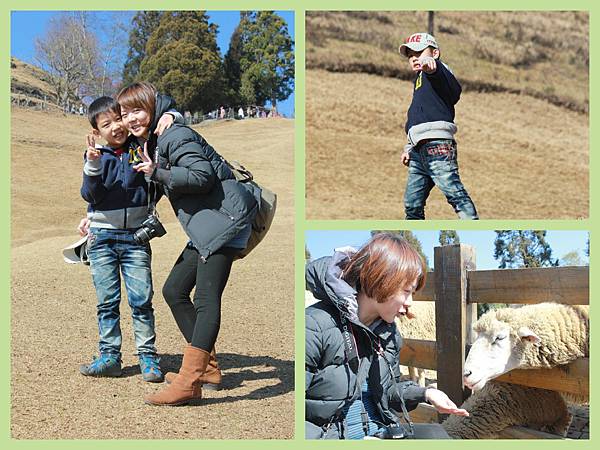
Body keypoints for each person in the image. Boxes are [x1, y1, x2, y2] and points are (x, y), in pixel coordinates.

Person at [116, 82, 259, 406]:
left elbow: (202, 176)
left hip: (225, 222)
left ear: (152, 108)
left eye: (137, 110)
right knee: (174, 290)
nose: (131, 119)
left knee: (207, 298)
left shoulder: (174, 135)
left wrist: (160, 173)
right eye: (125, 114)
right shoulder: (157, 138)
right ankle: (207, 370)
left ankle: (190, 381)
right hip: (209, 226)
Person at [305, 233, 469, 439]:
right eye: (406, 291)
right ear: (382, 280)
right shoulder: (314, 326)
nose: (410, 303)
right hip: (332, 436)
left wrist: (426, 393)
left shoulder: (387, 332)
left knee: (437, 436)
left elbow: (388, 390)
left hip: (380, 432)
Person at [78, 96, 180, 382]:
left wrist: (172, 114)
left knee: (141, 299)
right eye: (106, 124)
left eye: (117, 119)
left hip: (135, 239)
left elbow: (163, 102)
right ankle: (109, 356)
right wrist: (93, 165)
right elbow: (90, 195)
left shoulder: (141, 147)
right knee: (107, 301)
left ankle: (148, 357)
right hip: (102, 240)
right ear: (97, 132)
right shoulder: (95, 157)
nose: (116, 127)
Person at [399, 33, 478, 220]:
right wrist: (408, 147)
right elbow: (417, 120)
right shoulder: (418, 81)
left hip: (438, 146)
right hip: (417, 151)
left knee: (455, 194)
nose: (415, 58)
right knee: (412, 203)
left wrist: (434, 69)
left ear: (435, 53)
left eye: (419, 52)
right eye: (411, 56)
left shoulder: (438, 72)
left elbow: (454, 90)